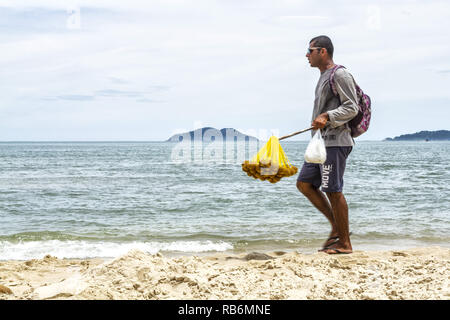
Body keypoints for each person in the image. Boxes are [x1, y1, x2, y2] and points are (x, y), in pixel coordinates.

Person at [297, 35, 359, 254]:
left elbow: (353, 107)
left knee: (333, 190)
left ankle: (345, 243)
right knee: (304, 183)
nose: (307, 54)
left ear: (323, 51)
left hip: (336, 142)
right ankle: (337, 228)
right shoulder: (323, 76)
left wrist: (327, 115)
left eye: (310, 50)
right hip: (320, 143)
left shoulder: (340, 74)